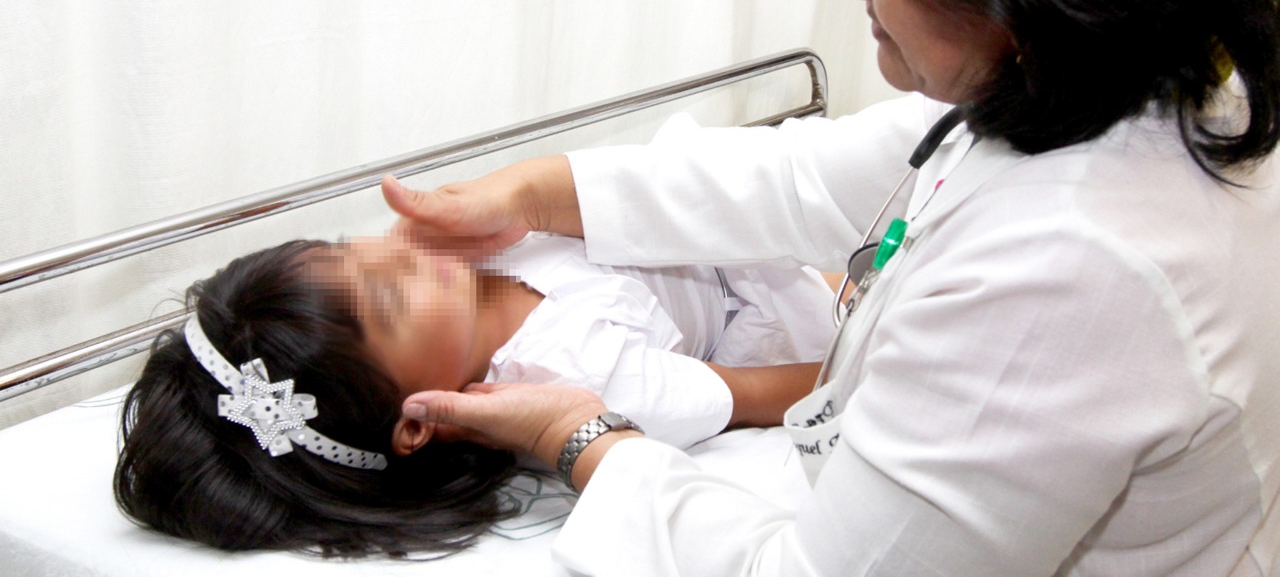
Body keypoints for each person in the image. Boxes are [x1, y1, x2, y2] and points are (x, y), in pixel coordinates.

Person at [385, 0, 1280, 574]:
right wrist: (535, 192)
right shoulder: (1117, 72)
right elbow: (803, 179)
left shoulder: (1071, 268)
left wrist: (581, 437)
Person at [114, 219, 834, 557]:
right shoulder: (575, 375)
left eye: (350, 249)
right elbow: (773, 392)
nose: (395, 248)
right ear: (419, 421)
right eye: (391, 296)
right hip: (782, 298)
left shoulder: (463, 254)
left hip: (720, 226)